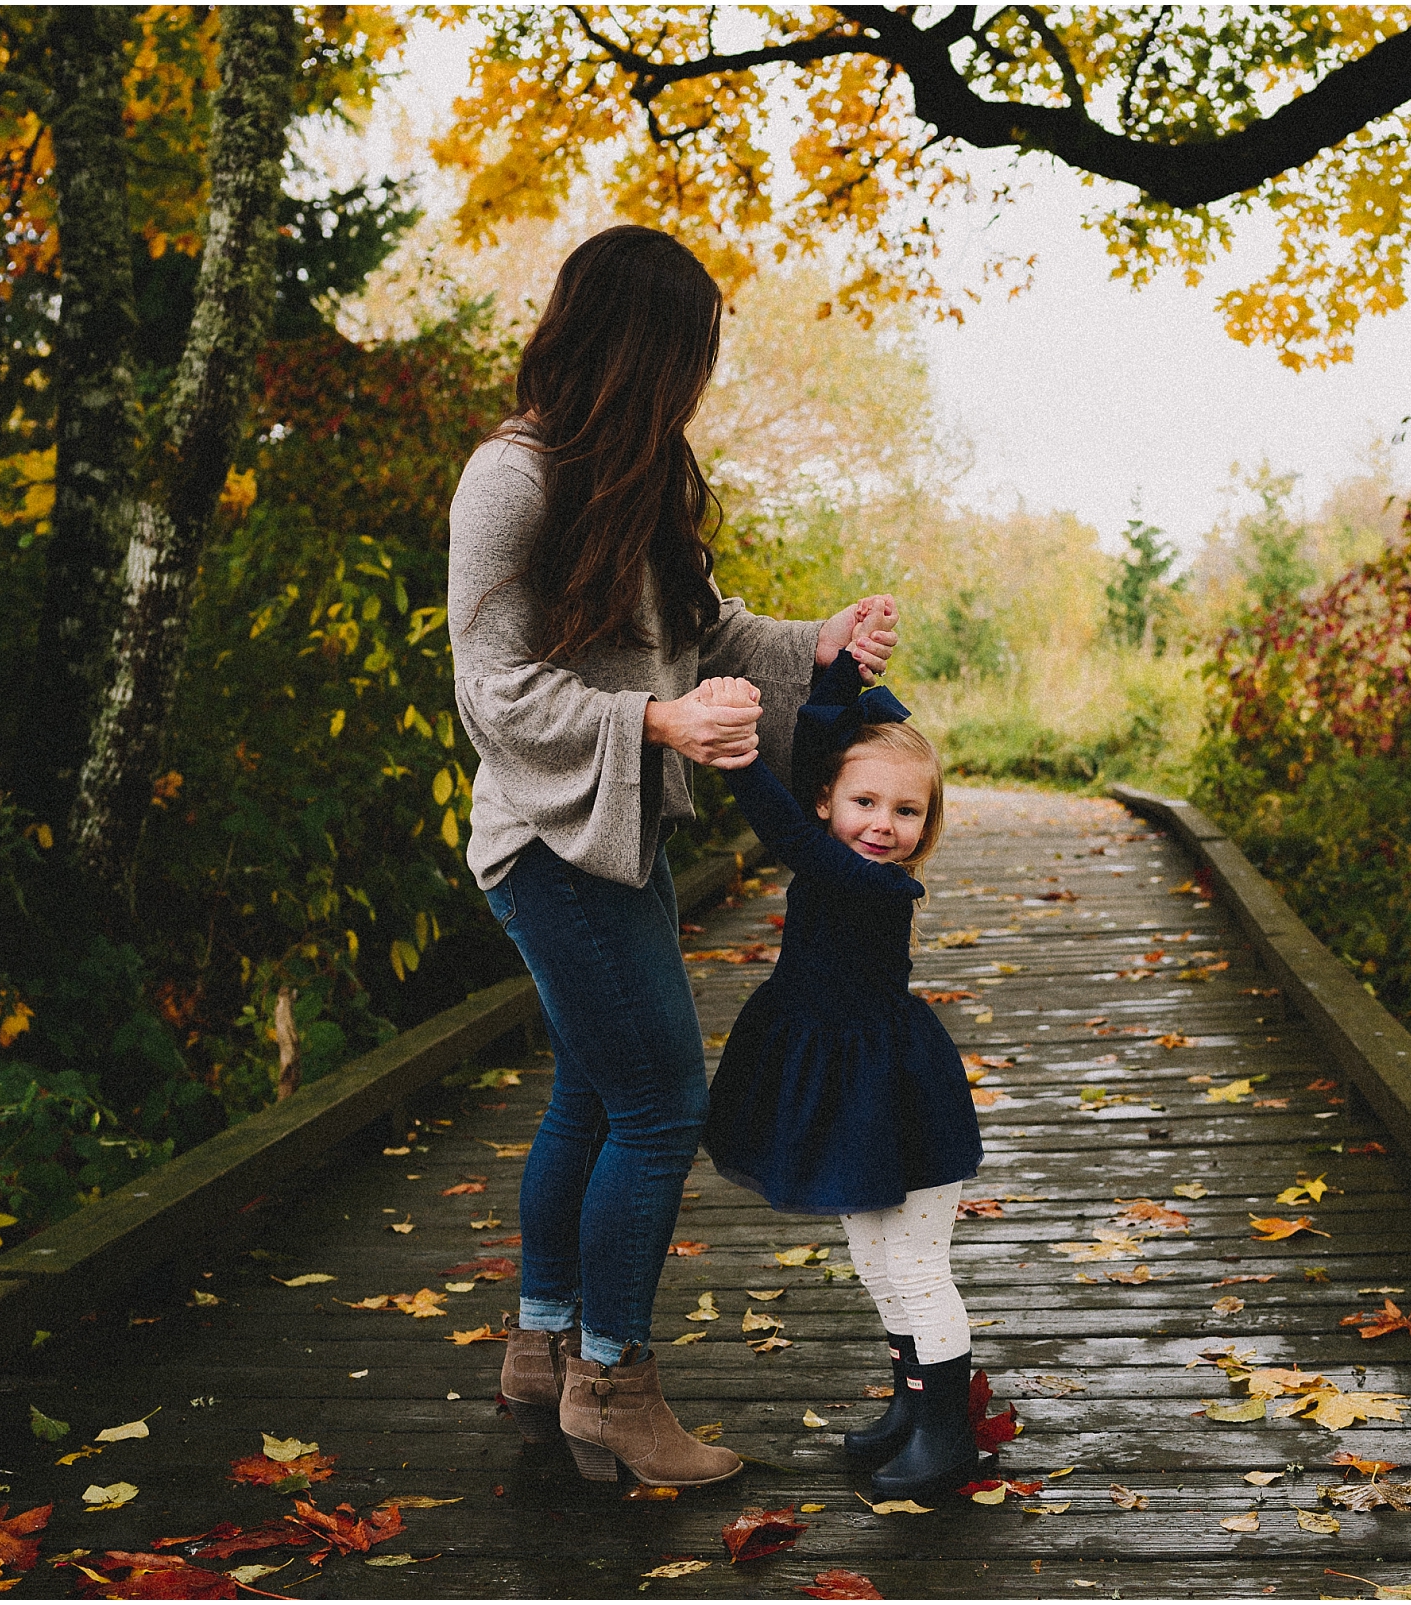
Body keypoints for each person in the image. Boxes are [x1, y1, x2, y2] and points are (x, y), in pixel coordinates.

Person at [449, 224, 899, 1490]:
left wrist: (823, 641)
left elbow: (707, 633)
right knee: (661, 1108)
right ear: (638, 345)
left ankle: (541, 1352)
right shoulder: (510, 478)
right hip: (546, 842)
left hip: (621, 832)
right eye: (691, 348)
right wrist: (655, 722)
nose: (700, 375)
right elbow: (492, 694)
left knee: (594, 1095)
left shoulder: (633, 474)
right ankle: (613, 1384)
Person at [698, 657, 989, 1499]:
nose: (883, 823)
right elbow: (823, 750)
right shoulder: (834, 843)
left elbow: (790, 834)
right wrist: (838, 670)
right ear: (829, 798)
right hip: (860, 1090)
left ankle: (948, 1435)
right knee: (873, 1256)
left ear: (925, 824)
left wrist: (740, 760)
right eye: (866, 802)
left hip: (904, 1099)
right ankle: (911, 1404)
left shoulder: (871, 883)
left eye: (907, 810)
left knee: (917, 1265)